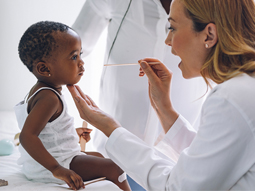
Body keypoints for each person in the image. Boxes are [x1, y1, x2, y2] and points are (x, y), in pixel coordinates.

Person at [67, 0, 255, 190]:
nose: (167, 40)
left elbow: (178, 187)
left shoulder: (230, 99)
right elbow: (212, 160)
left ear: (209, 35)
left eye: (172, 27)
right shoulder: (244, 89)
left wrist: (112, 129)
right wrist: (164, 109)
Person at [72, 0, 207, 158]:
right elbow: (66, 51)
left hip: (178, 157)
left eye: (173, 29)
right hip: (114, 156)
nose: (168, 41)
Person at [14, 21, 130, 191]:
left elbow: (47, 131)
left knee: (98, 156)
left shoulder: (39, 91)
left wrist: (70, 134)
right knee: (115, 168)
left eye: (80, 54)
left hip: (39, 164)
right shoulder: (49, 98)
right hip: (50, 166)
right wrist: (57, 169)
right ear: (44, 68)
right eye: (74, 57)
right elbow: (27, 137)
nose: (82, 63)